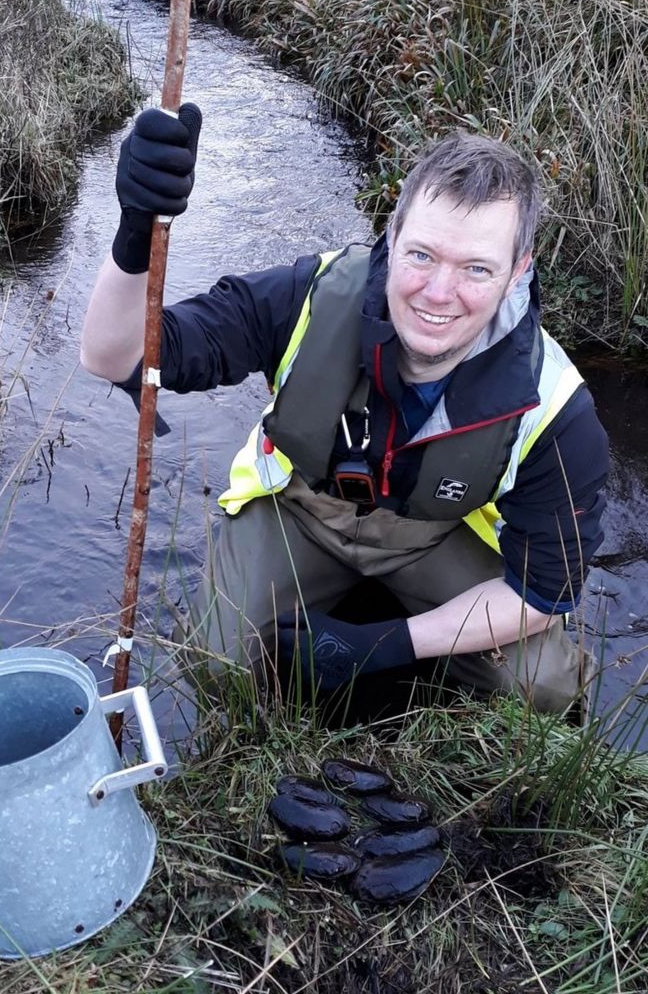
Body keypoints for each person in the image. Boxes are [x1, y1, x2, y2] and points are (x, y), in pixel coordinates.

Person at [80, 105, 609, 713]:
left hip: (439, 534)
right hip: (301, 512)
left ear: (519, 272)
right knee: (217, 659)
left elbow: (540, 594)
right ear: (391, 235)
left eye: (476, 269)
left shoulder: (556, 410)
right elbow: (113, 355)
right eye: (421, 256)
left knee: (543, 689)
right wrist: (135, 230)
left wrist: (387, 643)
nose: (439, 293)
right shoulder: (306, 300)